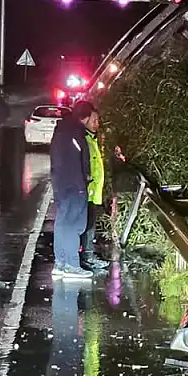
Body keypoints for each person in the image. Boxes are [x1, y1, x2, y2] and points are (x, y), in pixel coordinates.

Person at [50, 100, 97, 279]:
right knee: (72, 225)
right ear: (85, 117)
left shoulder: (63, 130)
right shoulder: (74, 133)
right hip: (73, 187)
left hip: (62, 185)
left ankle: (61, 263)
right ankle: (71, 265)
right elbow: (76, 162)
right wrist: (81, 184)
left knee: (63, 223)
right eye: (93, 118)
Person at [82, 113, 111, 271]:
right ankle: (87, 257)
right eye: (94, 120)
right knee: (87, 226)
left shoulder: (94, 139)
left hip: (93, 191)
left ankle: (87, 255)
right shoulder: (85, 139)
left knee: (90, 224)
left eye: (98, 120)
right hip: (87, 191)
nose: (96, 123)